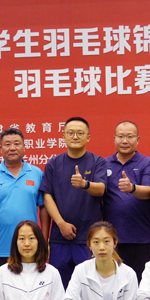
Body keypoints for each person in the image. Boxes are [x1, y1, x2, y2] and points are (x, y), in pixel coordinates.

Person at [40, 117, 106, 287]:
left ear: (88, 137)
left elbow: (101, 189)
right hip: (59, 238)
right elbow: (47, 196)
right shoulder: (54, 163)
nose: (75, 137)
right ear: (63, 136)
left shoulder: (98, 162)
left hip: (88, 238)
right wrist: (61, 223)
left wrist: (85, 184)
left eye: (80, 133)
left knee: (90, 286)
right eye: (70, 133)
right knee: (59, 287)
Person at [0, 127, 46, 271]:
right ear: (1, 148)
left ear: (24, 147)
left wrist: (43, 238)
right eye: (7, 144)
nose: (12, 148)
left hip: (30, 245)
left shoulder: (36, 173)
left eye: (17, 144)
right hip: (1, 246)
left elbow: (43, 208)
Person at [102, 121, 150, 282]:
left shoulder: (148, 162)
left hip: (142, 238)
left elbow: (149, 192)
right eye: (120, 136)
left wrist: (132, 188)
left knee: (143, 286)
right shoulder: (103, 164)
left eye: (130, 136)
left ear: (137, 140)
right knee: (113, 284)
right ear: (114, 139)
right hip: (111, 239)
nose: (125, 141)